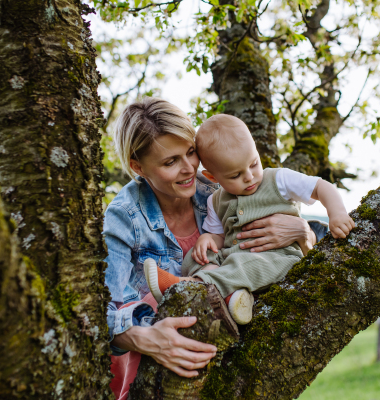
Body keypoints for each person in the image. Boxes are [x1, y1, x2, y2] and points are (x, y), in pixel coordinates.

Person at [103, 98, 323, 400]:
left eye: (191, 152)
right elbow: (101, 312)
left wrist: (302, 232)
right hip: (153, 371)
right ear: (137, 166)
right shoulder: (123, 216)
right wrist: (143, 338)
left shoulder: (220, 187)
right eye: (170, 162)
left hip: (228, 356)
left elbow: (282, 251)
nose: (188, 168)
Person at [144, 114, 354, 325]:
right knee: (197, 255)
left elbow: (321, 186)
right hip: (233, 258)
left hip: (276, 259)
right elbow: (218, 235)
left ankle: (185, 287)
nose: (249, 176)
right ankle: (231, 298)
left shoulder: (279, 179)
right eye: (235, 175)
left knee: (242, 265)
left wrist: (337, 213)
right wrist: (208, 240)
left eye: (254, 164)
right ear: (212, 177)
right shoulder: (215, 200)